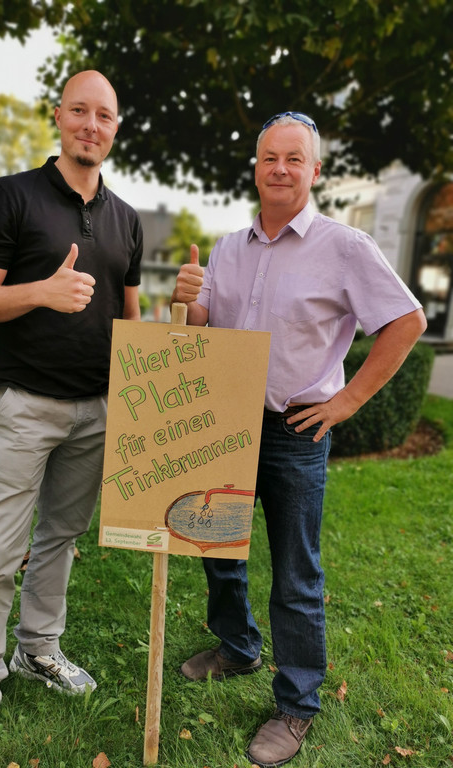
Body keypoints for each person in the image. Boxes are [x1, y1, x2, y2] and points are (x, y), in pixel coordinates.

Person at [171, 111, 427, 767]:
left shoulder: (345, 247)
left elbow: (406, 320)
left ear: (314, 171)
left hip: (295, 431)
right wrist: (190, 299)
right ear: (255, 168)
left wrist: (348, 401)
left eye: (293, 158)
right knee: (218, 547)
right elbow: (202, 328)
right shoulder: (228, 247)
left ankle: (296, 705)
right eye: (269, 158)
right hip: (225, 422)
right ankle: (238, 648)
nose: (280, 169)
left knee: (296, 573)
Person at [0, 70, 143, 768]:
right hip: (25, 402)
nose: (92, 125)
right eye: (80, 111)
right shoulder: (12, 195)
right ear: (59, 117)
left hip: (96, 407)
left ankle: (38, 650)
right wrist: (44, 291)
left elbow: (131, 320)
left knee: (60, 536)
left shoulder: (127, 218)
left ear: (116, 128)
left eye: (104, 115)